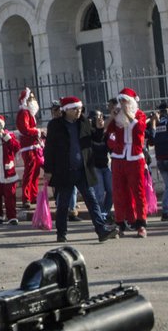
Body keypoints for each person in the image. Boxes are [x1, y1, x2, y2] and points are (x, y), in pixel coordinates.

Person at [42, 96, 118, 244]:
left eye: (79, 108)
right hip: (64, 171)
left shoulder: (83, 122)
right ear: (66, 110)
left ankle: (101, 230)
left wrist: (100, 127)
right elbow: (49, 149)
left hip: (83, 170)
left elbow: (95, 138)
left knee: (92, 201)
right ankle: (61, 233)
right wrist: (48, 170)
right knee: (63, 204)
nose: (78, 111)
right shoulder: (55, 125)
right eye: (74, 109)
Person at [106, 88, 149, 238]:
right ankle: (120, 223)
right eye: (120, 101)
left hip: (135, 158)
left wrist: (128, 114)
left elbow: (140, 130)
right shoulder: (117, 116)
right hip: (118, 157)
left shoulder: (139, 115)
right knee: (118, 192)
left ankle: (141, 224)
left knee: (138, 192)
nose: (122, 104)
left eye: (125, 101)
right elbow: (107, 131)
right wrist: (112, 116)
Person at [15, 88, 44, 210]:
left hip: (34, 146)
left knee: (36, 172)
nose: (33, 100)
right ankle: (26, 197)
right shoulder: (24, 113)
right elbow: (24, 129)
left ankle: (33, 195)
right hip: (28, 148)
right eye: (30, 98)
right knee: (30, 172)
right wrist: (37, 131)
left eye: (33, 98)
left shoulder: (29, 113)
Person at [149, 102, 168, 221]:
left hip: (161, 159)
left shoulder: (156, 123)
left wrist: (154, 122)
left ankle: (166, 211)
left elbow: (151, 140)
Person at [85, 109, 113, 220]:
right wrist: (98, 128)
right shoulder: (89, 133)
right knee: (99, 194)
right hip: (95, 167)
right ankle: (101, 215)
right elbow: (96, 136)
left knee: (112, 191)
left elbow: (109, 145)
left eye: (101, 117)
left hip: (105, 166)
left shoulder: (105, 133)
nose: (100, 120)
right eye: (97, 118)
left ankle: (105, 213)